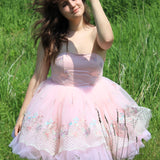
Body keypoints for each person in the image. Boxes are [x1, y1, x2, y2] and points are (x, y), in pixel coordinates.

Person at [9, 0, 151, 159]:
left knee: (96, 151)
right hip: (59, 107)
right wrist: (22, 114)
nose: (72, 4)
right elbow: (37, 77)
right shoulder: (51, 37)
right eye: (65, 3)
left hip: (97, 103)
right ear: (60, 11)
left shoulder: (97, 34)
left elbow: (108, 40)